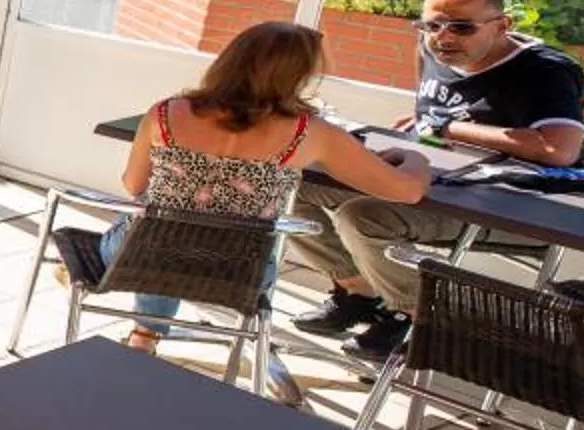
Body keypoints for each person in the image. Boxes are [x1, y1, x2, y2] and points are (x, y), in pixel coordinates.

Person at [289, 0, 584, 360]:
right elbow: (430, 118)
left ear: (502, 25)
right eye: (431, 25)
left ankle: (415, 315)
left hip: (510, 202)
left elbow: (559, 150)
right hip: (438, 176)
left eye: (462, 27)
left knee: (364, 216)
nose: (443, 37)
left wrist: (451, 129)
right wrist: (420, 131)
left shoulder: (545, 70)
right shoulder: (434, 49)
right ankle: (359, 291)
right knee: (292, 185)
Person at [103, 21, 433, 351]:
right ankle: (149, 334)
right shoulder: (309, 132)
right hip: (239, 272)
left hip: (137, 260)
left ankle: (145, 335)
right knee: (181, 243)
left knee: (161, 232)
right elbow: (407, 191)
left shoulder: (165, 112)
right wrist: (415, 158)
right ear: (298, 76)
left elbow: (133, 184)